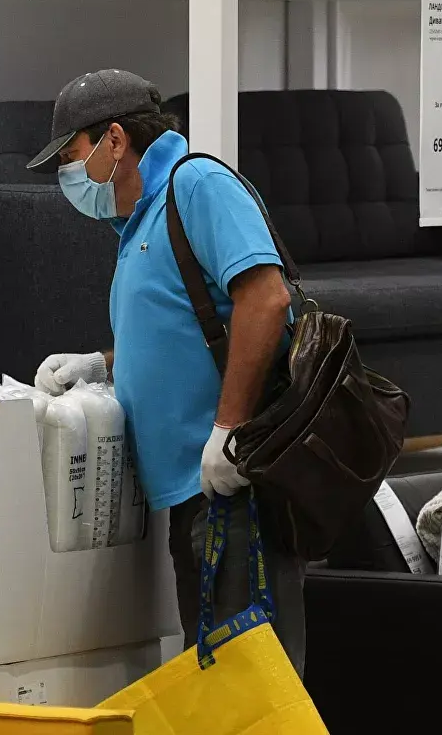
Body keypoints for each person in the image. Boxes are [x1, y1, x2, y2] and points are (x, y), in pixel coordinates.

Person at [27, 69, 304, 675]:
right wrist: (99, 365)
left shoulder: (197, 185)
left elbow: (266, 299)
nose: (69, 175)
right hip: (190, 490)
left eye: (72, 156)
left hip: (234, 483)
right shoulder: (139, 220)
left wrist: (228, 430)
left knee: (251, 683)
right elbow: (178, 328)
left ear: (115, 140)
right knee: (217, 676)